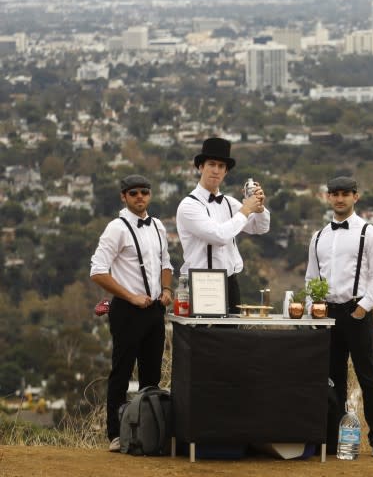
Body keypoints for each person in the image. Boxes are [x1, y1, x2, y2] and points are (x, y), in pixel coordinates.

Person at [306, 175, 373, 458]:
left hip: (356, 312)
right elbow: (311, 277)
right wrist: (312, 308)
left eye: (345, 193)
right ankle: (333, 439)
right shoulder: (318, 237)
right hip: (327, 313)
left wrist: (362, 308)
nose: (339, 198)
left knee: (368, 377)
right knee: (332, 380)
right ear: (327, 197)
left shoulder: (371, 233)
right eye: (335, 193)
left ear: (356, 196)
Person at [90, 174, 173, 452]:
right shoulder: (117, 228)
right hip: (126, 310)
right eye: (134, 193)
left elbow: (166, 262)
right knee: (121, 372)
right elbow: (98, 271)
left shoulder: (159, 226)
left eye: (145, 192)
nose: (140, 197)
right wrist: (130, 296)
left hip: (154, 310)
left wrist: (166, 289)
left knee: (151, 376)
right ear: (123, 197)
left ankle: (148, 433)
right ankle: (115, 434)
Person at [176, 137, 269, 313]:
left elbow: (261, 227)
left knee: (231, 336)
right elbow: (219, 236)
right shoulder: (189, 205)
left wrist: (259, 206)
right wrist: (245, 210)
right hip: (202, 282)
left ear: (226, 172)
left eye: (221, 166)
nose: (216, 170)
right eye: (211, 164)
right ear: (201, 167)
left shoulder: (229, 202)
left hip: (231, 281)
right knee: (205, 337)